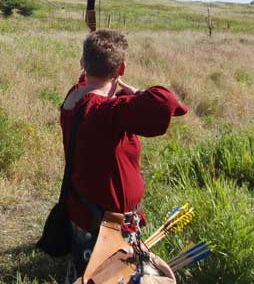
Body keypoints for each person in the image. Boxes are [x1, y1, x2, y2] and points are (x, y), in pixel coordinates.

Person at [60, 29, 188, 283]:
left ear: (84, 64)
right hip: (106, 225)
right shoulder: (108, 111)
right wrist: (135, 91)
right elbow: (169, 102)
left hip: (84, 212)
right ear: (121, 69)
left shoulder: (75, 97)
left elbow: (88, 87)